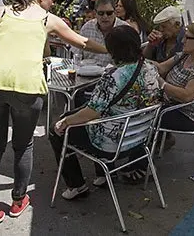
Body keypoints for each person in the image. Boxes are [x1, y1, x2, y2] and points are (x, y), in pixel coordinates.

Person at [0, 0, 108, 230]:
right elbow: (82, 41)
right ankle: (18, 200)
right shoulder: (47, 19)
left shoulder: (1, 12)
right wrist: (112, 50)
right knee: (23, 146)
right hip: (26, 87)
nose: (53, 2)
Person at [50, 25, 163, 198]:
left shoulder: (113, 76)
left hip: (111, 144)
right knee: (83, 114)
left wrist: (65, 122)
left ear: (112, 51)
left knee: (56, 130)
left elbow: (91, 113)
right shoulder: (150, 68)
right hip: (139, 139)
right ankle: (104, 175)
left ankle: (77, 185)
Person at [151, 22, 194, 148]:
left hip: (188, 115)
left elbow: (187, 96)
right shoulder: (185, 55)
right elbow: (161, 68)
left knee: (144, 116)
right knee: (139, 104)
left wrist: (162, 84)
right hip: (172, 105)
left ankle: (142, 158)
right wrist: (139, 61)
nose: (182, 40)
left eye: (187, 38)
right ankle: (155, 145)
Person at [73, 0, 128, 67]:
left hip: (114, 75)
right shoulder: (87, 28)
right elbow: (77, 55)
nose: (105, 17)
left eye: (109, 13)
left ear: (115, 12)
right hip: (87, 73)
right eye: (101, 13)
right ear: (95, 13)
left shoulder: (124, 30)